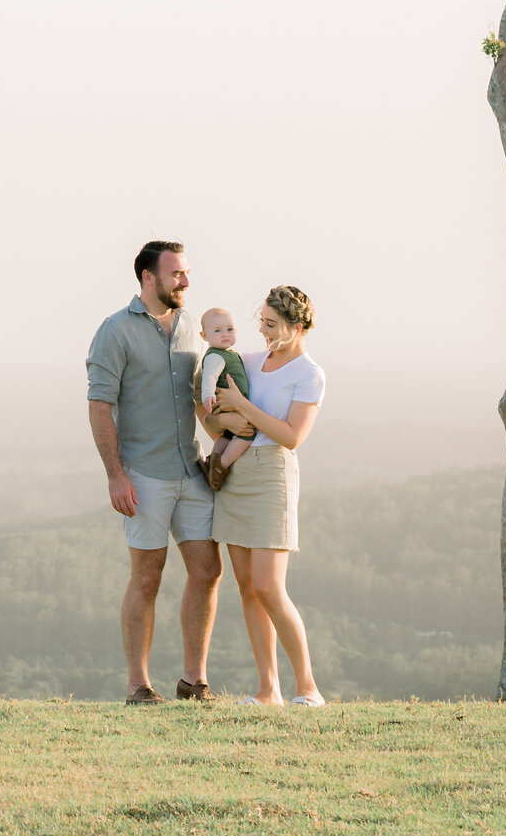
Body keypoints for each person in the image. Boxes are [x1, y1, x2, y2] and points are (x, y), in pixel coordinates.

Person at [85, 240, 256, 704]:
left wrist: (230, 434)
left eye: (185, 273)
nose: (185, 280)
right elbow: (100, 406)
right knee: (148, 575)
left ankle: (193, 682)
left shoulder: (192, 330)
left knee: (207, 569)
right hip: (143, 475)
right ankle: (139, 686)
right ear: (148, 277)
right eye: (176, 273)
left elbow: (203, 397)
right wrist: (115, 475)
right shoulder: (114, 331)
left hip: (191, 468)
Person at [209, 284, 327, 706]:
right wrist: (225, 419)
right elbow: (217, 420)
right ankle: (268, 690)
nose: (261, 331)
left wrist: (243, 405)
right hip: (235, 473)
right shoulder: (249, 362)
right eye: (260, 322)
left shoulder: (309, 374)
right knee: (246, 587)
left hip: (272, 475)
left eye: (271, 324)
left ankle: (308, 688)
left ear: (296, 327)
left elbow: (292, 436)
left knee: (269, 587)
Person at [194, 307, 252, 491]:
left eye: (229, 329)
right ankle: (221, 467)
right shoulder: (215, 356)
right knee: (246, 434)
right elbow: (209, 377)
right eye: (217, 331)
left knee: (227, 436)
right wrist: (208, 396)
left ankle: (212, 461)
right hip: (227, 406)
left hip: (230, 405)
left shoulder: (229, 353)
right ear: (204, 336)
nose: (224, 334)